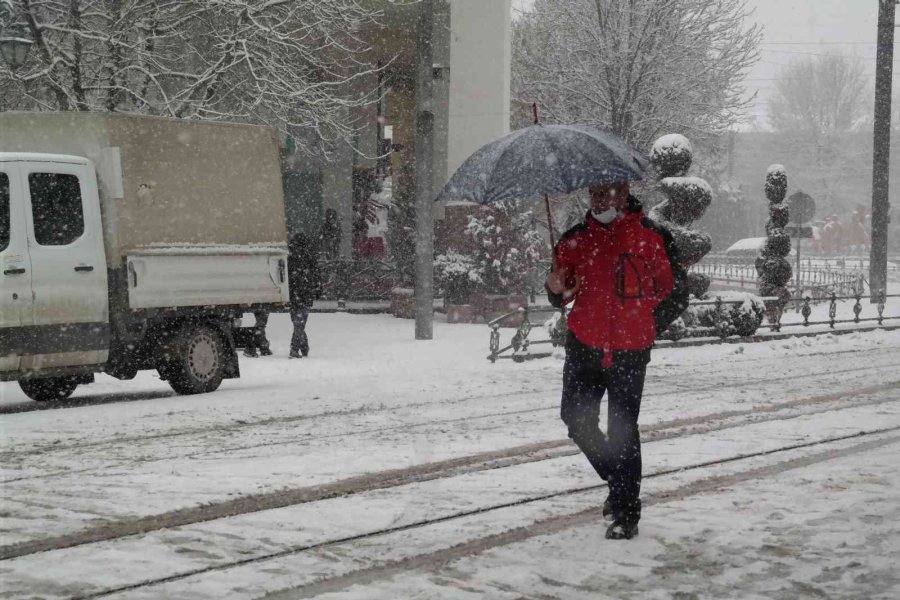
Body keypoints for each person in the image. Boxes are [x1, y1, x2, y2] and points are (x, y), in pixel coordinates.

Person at [545, 180, 687, 540]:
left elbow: (675, 291)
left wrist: (646, 325)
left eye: (608, 192)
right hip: (584, 345)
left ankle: (626, 512)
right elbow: (562, 292)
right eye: (594, 193)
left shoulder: (652, 237)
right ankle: (619, 480)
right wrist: (555, 289)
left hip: (630, 349)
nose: (600, 200)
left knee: (622, 429)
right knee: (576, 420)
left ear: (624, 193)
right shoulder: (574, 239)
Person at [287, 232, 323, 358]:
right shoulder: (309, 256)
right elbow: (316, 274)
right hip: (305, 293)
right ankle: (301, 347)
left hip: (294, 294)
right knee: (300, 322)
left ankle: (298, 347)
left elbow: (286, 276)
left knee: (298, 322)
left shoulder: (290, 256)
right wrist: (318, 289)